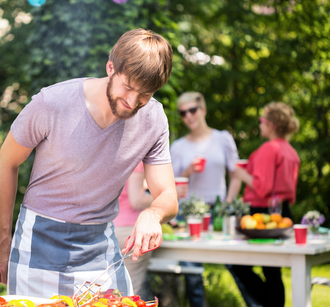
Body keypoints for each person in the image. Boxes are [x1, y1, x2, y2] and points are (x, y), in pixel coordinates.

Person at [0, 29, 179, 298]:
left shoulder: (154, 118)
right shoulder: (52, 102)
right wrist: (2, 237)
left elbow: (168, 195)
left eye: (145, 95)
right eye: (128, 87)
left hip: (100, 245)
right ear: (110, 67)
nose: (132, 102)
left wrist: (153, 214)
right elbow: (6, 162)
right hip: (39, 240)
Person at [169, 92, 240, 307]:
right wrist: (188, 171)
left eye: (192, 110)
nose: (188, 116)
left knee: (237, 264)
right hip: (189, 212)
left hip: (219, 209)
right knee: (192, 272)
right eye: (183, 113)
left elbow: (236, 175)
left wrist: (228, 203)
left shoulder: (222, 138)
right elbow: (170, 184)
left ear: (203, 110)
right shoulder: (179, 146)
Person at [228, 102, 300, 307]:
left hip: (260, 214)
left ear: (272, 126)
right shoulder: (291, 151)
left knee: (238, 265)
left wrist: (241, 174)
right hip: (283, 212)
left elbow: (262, 187)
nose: (259, 125)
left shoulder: (270, 148)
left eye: (262, 121)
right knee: (273, 270)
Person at [113, 162, 155, 299]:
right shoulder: (136, 159)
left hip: (106, 229)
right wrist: (162, 198)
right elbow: (136, 200)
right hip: (130, 232)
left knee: (109, 293)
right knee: (130, 293)